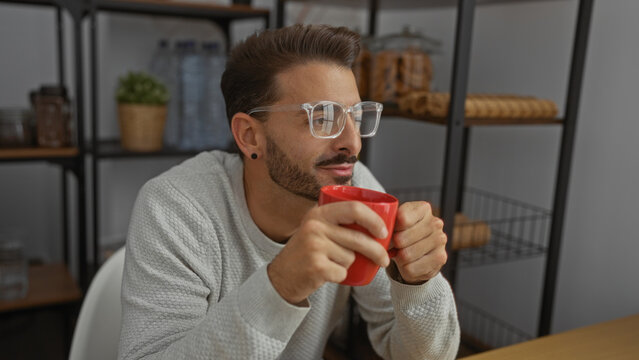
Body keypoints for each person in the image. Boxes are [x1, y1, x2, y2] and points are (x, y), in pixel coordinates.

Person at [118, 24, 460, 360]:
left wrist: (417, 284)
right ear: (250, 136)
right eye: (323, 117)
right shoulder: (176, 208)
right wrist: (281, 284)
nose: (352, 143)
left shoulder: (354, 186)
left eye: (355, 116)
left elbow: (427, 357)